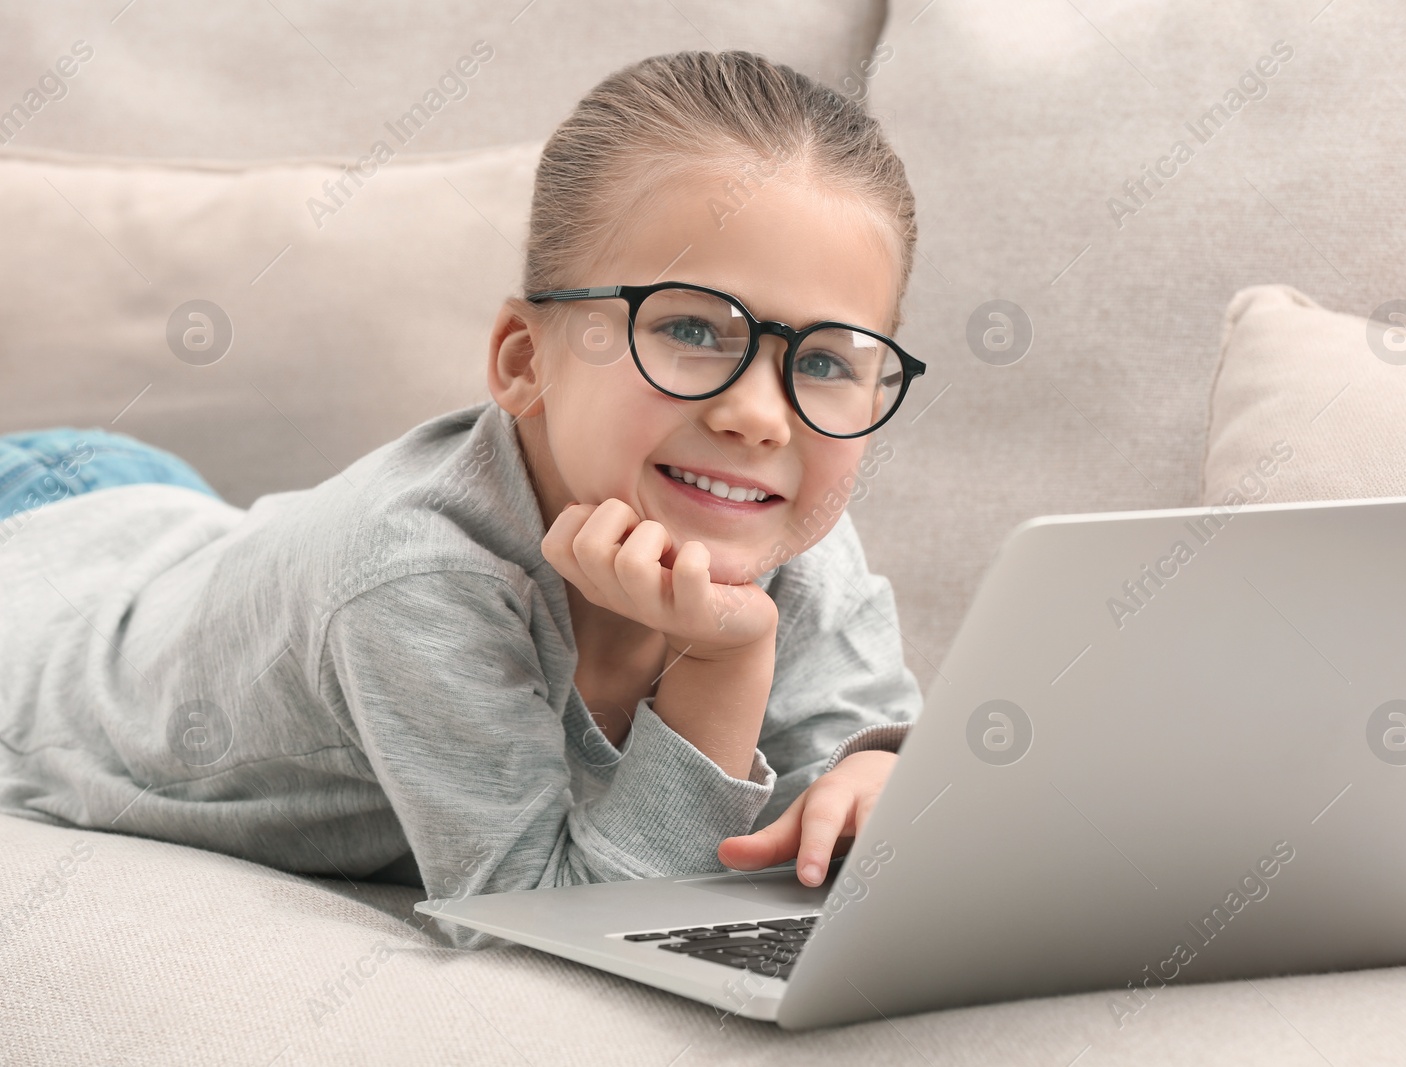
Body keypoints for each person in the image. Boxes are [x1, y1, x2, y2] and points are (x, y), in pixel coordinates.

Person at [0, 50, 926, 950]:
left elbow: (856, 759)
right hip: (40, 570)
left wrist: (874, 777)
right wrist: (720, 672)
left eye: (825, 362)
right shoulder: (417, 580)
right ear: (525, 361)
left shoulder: (774, 526)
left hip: (184, 534)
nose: (762, 417)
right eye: (690, 327)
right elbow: (558, 932)